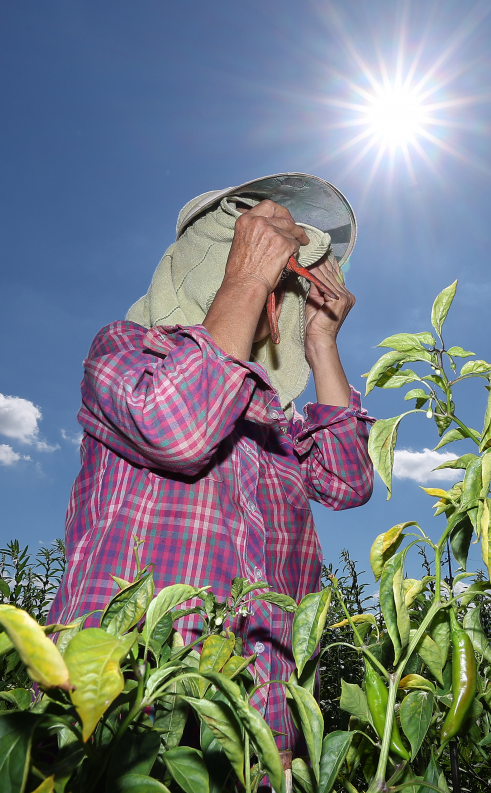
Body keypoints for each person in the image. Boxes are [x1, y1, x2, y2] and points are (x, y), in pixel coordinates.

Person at [48, 173, 375, 757]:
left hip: (260, 719)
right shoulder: (127, 351)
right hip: (133, 693)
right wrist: (248, 277)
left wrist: (322, 341)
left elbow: (347, 481)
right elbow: (180, 431)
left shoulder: (268, 418)